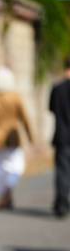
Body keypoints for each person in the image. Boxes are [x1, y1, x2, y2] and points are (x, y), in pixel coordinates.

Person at [0, 66, 34, 209]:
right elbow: (25, 118)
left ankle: (3, 196)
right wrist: (30, 137)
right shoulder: (15, 97)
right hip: (12, 137)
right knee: (17, 166)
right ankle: (7, 191)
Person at [49, 56, 70, 218]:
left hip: (62, 135)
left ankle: (61, 204)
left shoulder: (57, 88)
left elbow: (51, 109)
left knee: (62, 171)